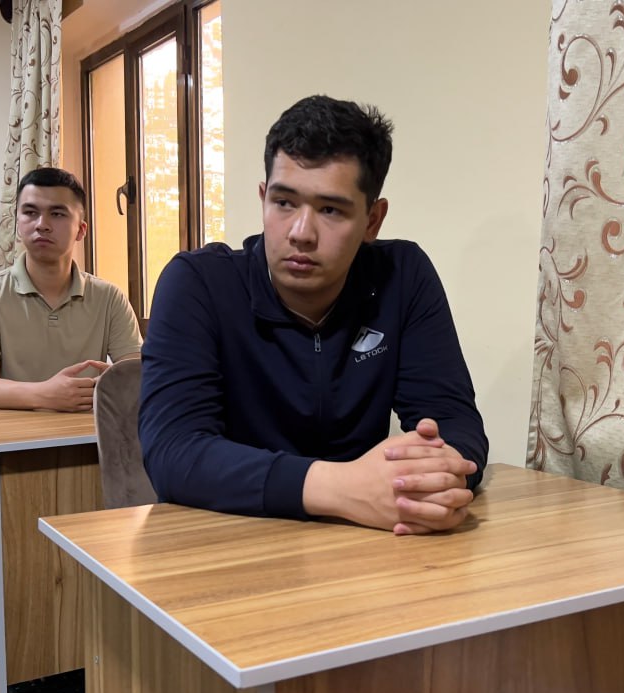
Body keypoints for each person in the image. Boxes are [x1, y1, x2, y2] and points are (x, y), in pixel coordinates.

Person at [140, 95, 488, 536]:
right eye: (284, 203)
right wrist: (344, 489)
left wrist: (429, 484)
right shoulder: (198, 283)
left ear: (373, 220)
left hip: (364, 540)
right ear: (263, 199)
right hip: (228, 536)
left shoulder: (403, 276)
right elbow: (173, 452)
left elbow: (456, 424)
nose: (301, 233)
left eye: (330, 210)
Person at [0, 168, 142, 411]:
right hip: (9, 432)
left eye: (57, 214)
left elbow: (136, 375)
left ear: (81, 230)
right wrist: (45, 395)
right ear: (18, 224)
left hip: (86, 430)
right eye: (30, 213)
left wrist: (112, 384)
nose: (42, 225)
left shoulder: (109, 297)